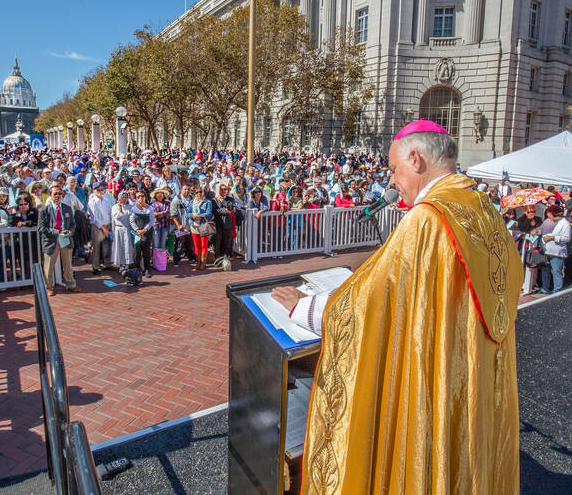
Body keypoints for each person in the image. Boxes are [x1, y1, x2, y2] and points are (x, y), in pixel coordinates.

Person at [272, 120, 523, 494]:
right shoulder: (479, 206)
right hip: (473, 366)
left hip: (437, 368)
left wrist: (304, 308)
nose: (391, 180)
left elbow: (368, 310)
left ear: (416, 159)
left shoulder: (427, 219)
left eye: (393, 168)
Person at [37, 187, 80, 295]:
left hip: (65, 240)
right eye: (55, 193)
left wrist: (70, 232)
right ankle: (49, 287)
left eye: (60, 193)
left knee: (68, 264)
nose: (57, 196)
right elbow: (41, 228)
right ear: (50, 195)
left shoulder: (67, 208)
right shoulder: (44, 210)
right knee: (49, 265)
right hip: (51, 240)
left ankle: (71, 284)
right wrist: (57, 233)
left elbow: (73, 224)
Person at [539, 204, 571, 293]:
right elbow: (541, 229)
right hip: (546, 251)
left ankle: (557, 291)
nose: (547, 214)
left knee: (556, 271)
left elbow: (567, 238)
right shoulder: (548, 222)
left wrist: (553, 238)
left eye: (548, 213)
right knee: (545, 270)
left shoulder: (565, 224)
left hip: (557, 252)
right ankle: (545, 288)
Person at [87, 182, 113, 275]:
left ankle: (107, 263)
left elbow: (110, 213)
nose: (100, 191)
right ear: (93, 191)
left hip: (107, 225)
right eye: (98, 190)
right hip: (98, 227)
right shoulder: (92, 202)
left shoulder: (106, 200)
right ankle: (96, 266)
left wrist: (110, 225)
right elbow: (95, 218)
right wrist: (103, 229)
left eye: (102, 189)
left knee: (108, 245)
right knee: (97, 247)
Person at [130, 190, 155, 278]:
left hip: (147, 232)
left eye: (142, 196)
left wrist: (144, 230)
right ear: (136, 198)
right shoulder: (133, 208)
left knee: (146, 251)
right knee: (136, 252)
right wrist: (137, 230)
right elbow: (132, 221)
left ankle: (147, 269)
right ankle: (136, 269)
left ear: (145, 197)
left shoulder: (150, 208)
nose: (141, 198)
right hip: (137, 233)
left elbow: (152, 220)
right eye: (138, 197)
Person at [169, 183, 195, 266]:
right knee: (180, 244)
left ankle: (191, 258)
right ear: (181, 190)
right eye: (185, 189)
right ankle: (176, 261)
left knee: (190, 243)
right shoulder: (176, 199)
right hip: (181, 226)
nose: (187, 191)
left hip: (191, 225)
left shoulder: (192, 198)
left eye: (188, 189)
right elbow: (173, 214)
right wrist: (178, 225)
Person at [189, 186, 212, 271]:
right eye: (197, 192)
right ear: (194, 194)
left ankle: (203, 263)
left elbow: (209, 213)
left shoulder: (207, 202)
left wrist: (200, 216)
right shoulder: (192, 202)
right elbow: (188, 212)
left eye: (200, 192)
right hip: (194, 226)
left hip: (203, 225)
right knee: (197, 245)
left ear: (203, 192)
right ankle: (198, 262)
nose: (199, 194)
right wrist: (192, 216)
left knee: (204, 245)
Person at [110, 191, 134, 271]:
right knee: (119, 247)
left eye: (126, 197)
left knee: (127, 247)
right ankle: (121, 265)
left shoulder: (130, 207)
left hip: (127, 229)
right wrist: (120, 208)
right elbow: (118, 217)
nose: (124, 199)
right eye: (122, 197)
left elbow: (131, 217)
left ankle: (127, 264)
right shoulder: (115, 207)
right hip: (119, 229)